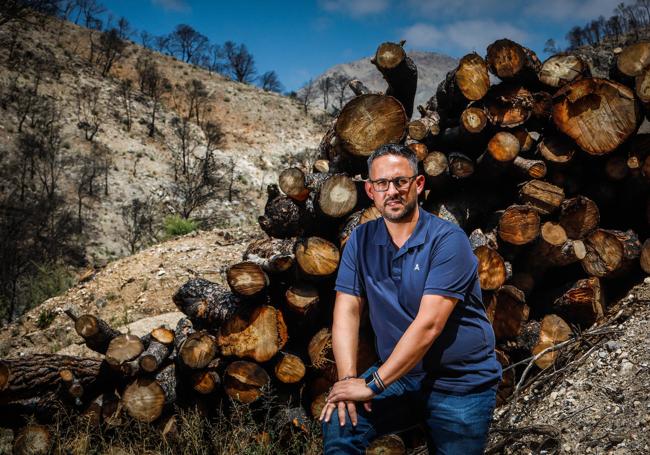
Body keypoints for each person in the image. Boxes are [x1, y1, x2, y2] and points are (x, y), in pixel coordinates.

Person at [320, 144, 502, 454]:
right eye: (382, 184)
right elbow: (347, 311)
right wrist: (349, 381)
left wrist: (372, 384)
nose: (392, 191)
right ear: (370, 191)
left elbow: (429, 325)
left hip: (460, 382)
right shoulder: (360, 241)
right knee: (340, 421)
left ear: (417, 184)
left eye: (400, 181)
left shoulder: (447, 241)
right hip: (400, 377)